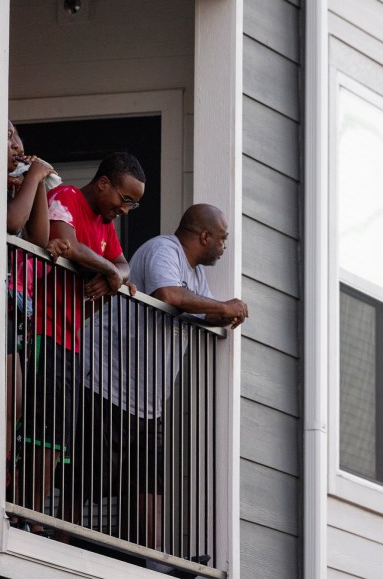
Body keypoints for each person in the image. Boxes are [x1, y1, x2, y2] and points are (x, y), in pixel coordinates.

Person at [79, 203, 247, 553]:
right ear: (204, 236)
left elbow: (201, 311)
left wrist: (227, 314)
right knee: (86, 475)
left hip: (148, 400)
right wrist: (223, 307)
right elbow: (168, 295)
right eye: (223, 238)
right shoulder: (163, 250)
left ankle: (152, 561)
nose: (224, 246)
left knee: (149, 480)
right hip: (108, 382)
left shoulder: (196, 276)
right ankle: (63, 541)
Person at [20, 151, 145, 532]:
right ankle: (25, 515)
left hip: (72, 341)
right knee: (41, 434)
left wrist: (114, 273)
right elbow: (66, 243)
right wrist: (110, 272)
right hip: (43, 330)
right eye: (125, 199)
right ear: (104, 183)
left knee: (57, 440)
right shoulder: (68, 198)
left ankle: (34, 514)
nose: (126, 209)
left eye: (134, 204)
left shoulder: (105, 225)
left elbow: (125, 265)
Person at [5, 121, 64, 508]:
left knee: (17, 405)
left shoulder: (18, 183)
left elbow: (38, 239)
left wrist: (38, 181)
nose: (14, 142)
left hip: (17, 317)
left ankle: (6, 484)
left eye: (15, 134)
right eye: (6, 134)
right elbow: (11, 224)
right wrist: (31, 180)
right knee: (8, 401)